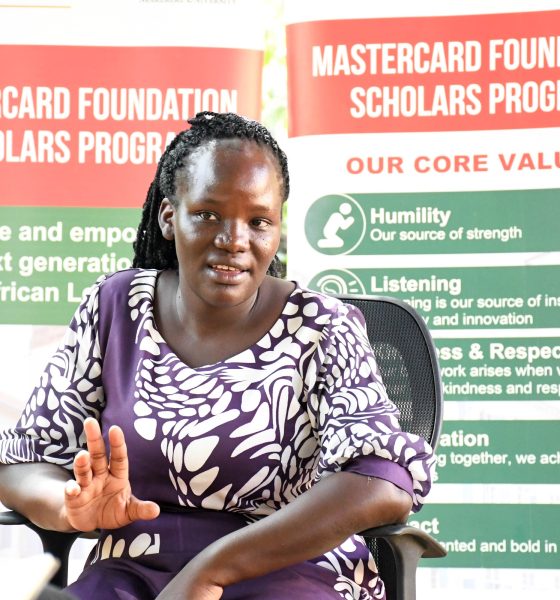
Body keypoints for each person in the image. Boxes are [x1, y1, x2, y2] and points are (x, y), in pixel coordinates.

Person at [0, 112, 435, 600]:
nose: (234, 240)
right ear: (169, 216)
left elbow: (381, 479)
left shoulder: (322, 326)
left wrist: (211, 570)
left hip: (291, 570)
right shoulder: (116, 308)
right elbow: (23, 461)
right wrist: (67, 507)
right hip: (131, 574)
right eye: (208, 214)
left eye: (258, 221)